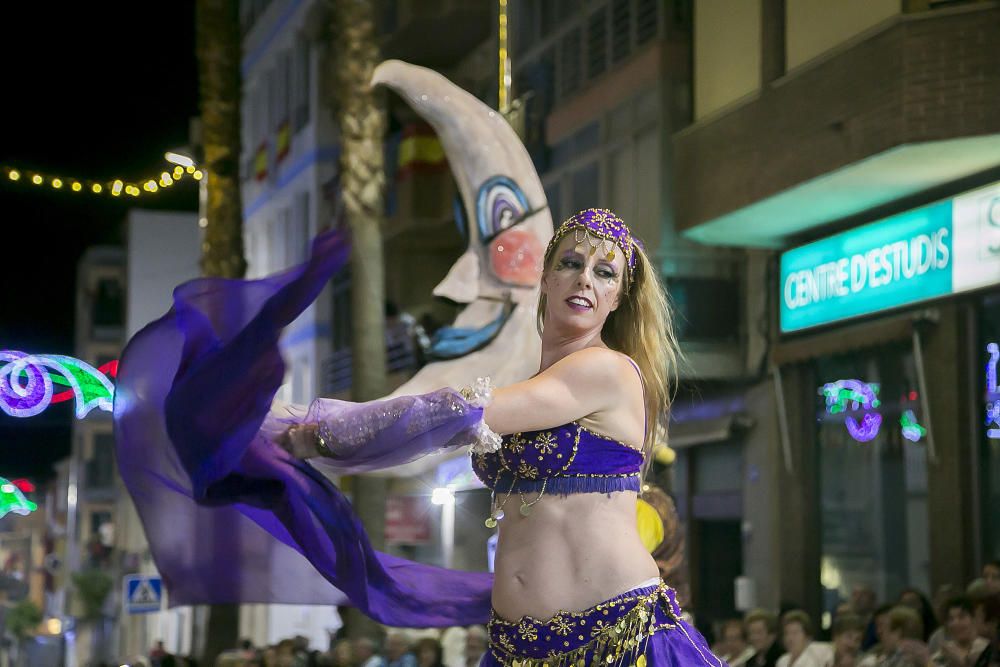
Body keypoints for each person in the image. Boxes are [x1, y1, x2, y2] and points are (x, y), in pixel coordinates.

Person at [274, 209, 714, 666]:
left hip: (615, 642)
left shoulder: (606, 370)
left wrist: (316, 435)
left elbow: (456, 414)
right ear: (544, 278)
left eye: (604, 273)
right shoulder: (537, 386)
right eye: (570, 263)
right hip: (513, 649)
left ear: (618, 297)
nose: (584, 279)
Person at [932, 596, 988, 667]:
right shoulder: (942, 655)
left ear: (974, 619)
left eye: (962, 617)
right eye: (951, 619)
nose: (955, 623)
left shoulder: (987, 650)